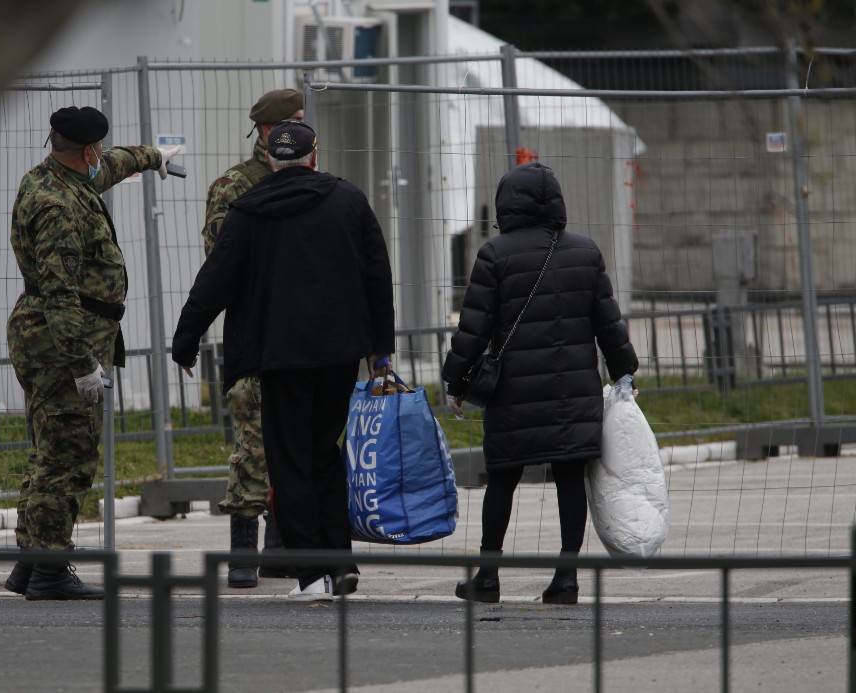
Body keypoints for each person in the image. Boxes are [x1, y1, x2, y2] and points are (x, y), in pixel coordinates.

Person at [171, 120, 395, 601]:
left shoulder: (250, 211)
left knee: (289, 461)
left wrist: (185, 340)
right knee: (325, 454)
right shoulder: (349, 201)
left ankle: (312, 573)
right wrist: (381, 349)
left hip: (279, 357)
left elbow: (217, 279)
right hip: (339, 354)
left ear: (271, 160)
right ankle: (341, 562)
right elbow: (378, 274)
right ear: (315, 156)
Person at [4, 106, 183, 600]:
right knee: (68, 456)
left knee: (49, 452)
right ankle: (49, 570)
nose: (102, 158)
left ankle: (30, 561)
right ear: (88, 150)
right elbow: (60, 293)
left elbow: (113, 167)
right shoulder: (57, 207)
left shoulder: (54, 177)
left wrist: (154, 157)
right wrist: (82, 365)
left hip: (58, 332)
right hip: (62, 338)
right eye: (98, 151)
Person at [442, 162, 638, 605]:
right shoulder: (585, 253)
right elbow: (609, 323)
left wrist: (454, 379)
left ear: (506, 204)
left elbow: (474, 328)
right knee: (570, 478)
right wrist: (625, 370)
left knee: (503, 481)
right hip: (574, 393)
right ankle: (566, 578)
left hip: (514, 395)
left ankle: (488, 576)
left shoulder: (495, 255)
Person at [202, 88, 305, 588]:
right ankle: (243, 549)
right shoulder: (234, 186)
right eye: (296, 121)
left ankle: (281, 545)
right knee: (254, 442)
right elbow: (222, 262)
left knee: (299, 439)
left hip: (303, 334)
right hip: (255, 331)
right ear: (268, 130)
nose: (307, 130)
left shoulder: (312, 181)